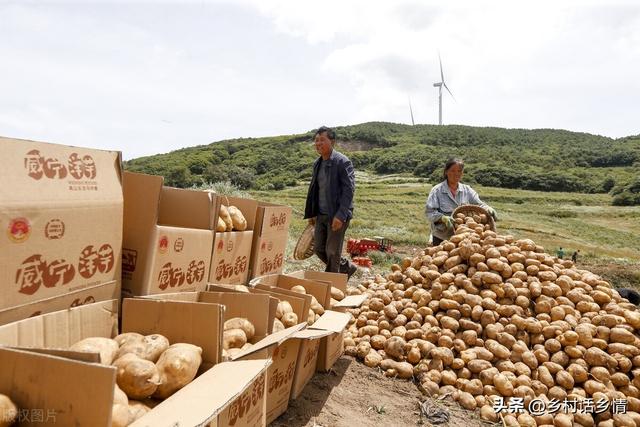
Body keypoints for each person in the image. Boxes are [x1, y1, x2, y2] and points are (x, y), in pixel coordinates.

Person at [304, 126, 357, 278]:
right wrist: (312, 213)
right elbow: (314, 190)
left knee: (332, 252)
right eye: (316, 140)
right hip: (321, 215)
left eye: (322, 140)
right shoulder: (317, 164)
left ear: (332, 141)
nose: (318, 143)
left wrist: (341, 215)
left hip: (337, 214)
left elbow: (349, 190)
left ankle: (332, 286)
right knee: (319, 249)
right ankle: (347, 268)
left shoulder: (342, 162)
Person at [425, 158, 497, 246]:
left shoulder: (467, 190)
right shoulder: (437, 190)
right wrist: (442, 218)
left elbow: (479, 204)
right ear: (446, 172)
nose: (456, 174)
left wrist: (487, 208)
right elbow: (430, 212)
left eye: (459, 171)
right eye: (452, 170)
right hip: (442, 237)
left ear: (462, 173)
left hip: (464, 238)